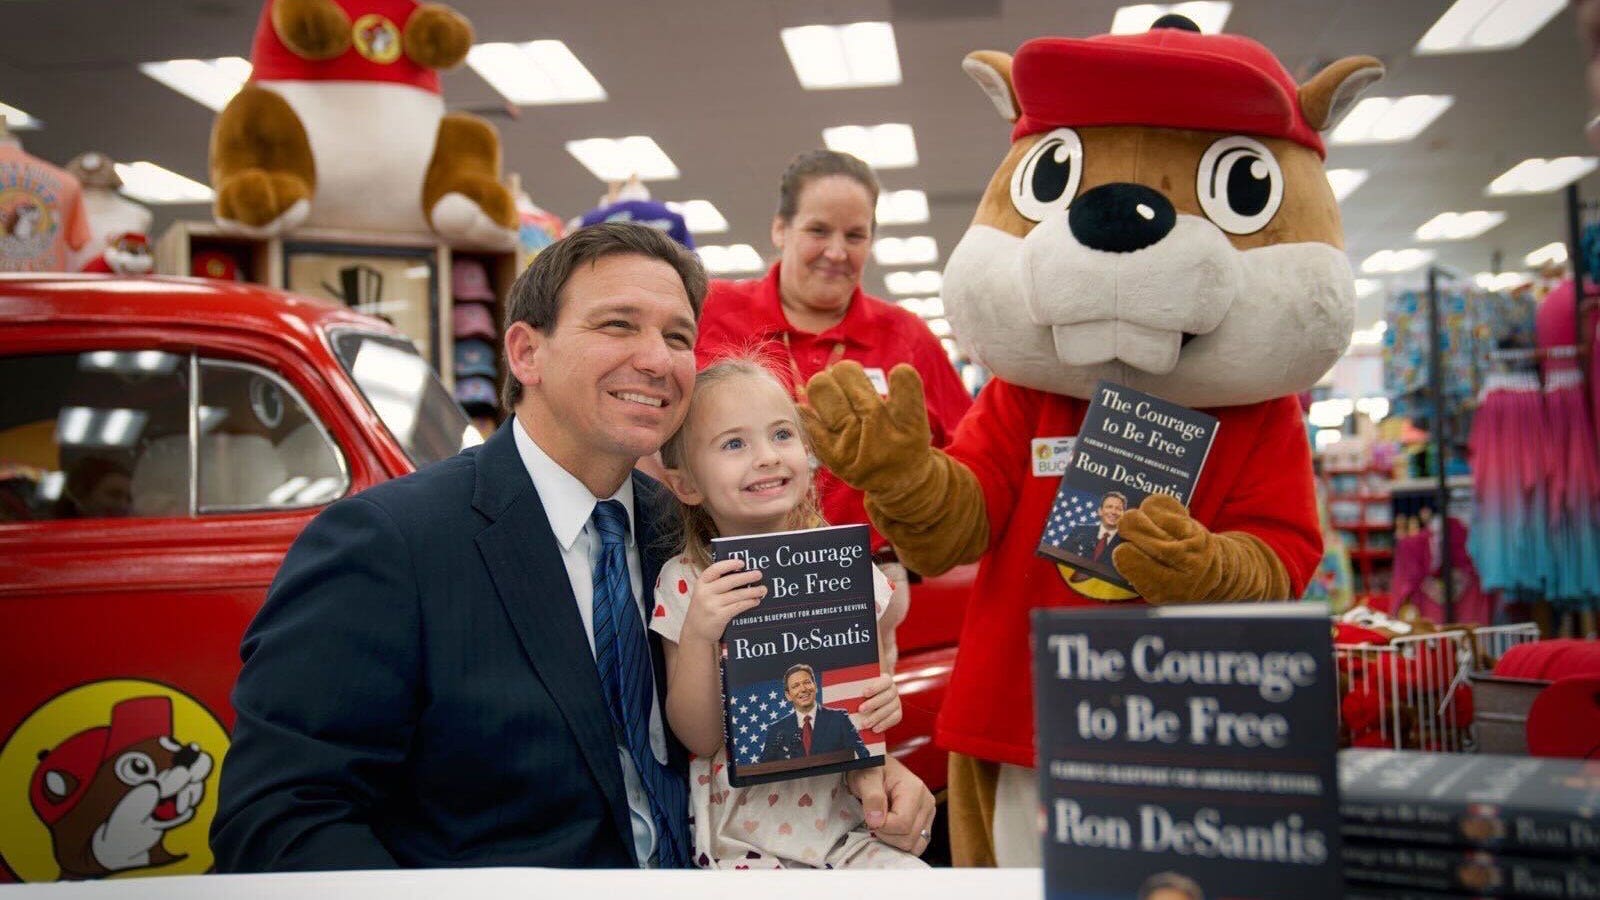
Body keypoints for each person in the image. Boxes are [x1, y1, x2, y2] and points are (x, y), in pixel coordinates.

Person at [210, 223, 935, 872]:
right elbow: (282, 818)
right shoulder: (388, 544)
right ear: (526, 350)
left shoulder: (694, 536)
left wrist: (863, 775)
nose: (657, 360)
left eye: (679, 337)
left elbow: (768, 718)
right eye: (619, 325)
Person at [693, 150, 973, 673]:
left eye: (856, 235)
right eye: (819, 230)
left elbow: (965, 457)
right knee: (731, 741)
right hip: (733, 583)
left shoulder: (905, 335)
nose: (837, 252)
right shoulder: (714, 312)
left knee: (853, 732)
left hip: (866, 585)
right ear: (781, 228)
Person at [650, 356, 926, 869]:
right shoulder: (687, 580)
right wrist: (699, 634)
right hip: (743, 843)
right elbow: (699, 736)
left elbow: (867, 691)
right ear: (686, 484)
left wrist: (884, 701)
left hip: (851, 828)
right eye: (734, 444)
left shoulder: (844, 566)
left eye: (782, 435)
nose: (767, 457)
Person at [759, 664, 869, 763]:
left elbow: (863, 755)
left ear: (815, 686)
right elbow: (764, 767)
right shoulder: (777, 729)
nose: (802, 689)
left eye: (806, 682)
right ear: (788, 695)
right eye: (795, 686)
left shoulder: (839, 718)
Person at [1063, 491, 1126, 582]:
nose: (1113, 512)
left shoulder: (1126, 544)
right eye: (1109, 507)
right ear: (1100, 511)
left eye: (1118, 509)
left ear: (1124, 514)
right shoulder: (1080, 531)